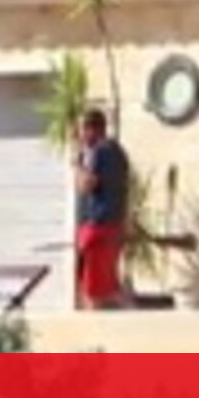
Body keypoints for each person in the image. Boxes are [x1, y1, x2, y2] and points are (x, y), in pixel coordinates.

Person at [73, 108, 130, 310]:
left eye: (81, 129)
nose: (80, 135)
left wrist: (78, 164)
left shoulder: (97, 152)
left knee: (93, 291)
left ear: (92, 129)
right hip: (115, 224)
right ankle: (132, 315)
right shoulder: (119, 151)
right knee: (109, 284)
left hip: (97, 225)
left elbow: (87, 184)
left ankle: (95, 325)